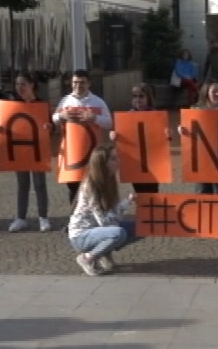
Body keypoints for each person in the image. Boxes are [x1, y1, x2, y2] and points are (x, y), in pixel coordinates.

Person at [67, 142, 139, 276]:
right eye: (113, 159)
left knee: (141, 227)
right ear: (103, 164)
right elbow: (104, 222)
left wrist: (127, 202)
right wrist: (121, 211)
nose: (117, 161)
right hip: (81, 235)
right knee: (119, 233)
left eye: (116, 157)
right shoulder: (91, 186)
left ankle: (104, 253)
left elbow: (110, 213)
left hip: (98, 230)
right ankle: (87, 258)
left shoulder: (109, 180)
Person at [53, 69, 113, 205]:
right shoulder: (65, 101)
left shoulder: (97, 102)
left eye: (82, 82)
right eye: (75, 82)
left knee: (93, 187)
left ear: (89, 84)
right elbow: (54, 119)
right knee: (73, 187)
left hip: (92, 152)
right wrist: (61, 116)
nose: (78, 86)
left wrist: (94, 118)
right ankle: (74, 223)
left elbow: (109, 123)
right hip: (71, 153)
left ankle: (92, 221)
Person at [5, 72, 52, 233]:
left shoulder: (41, 104)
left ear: (32, 85)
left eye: (23, 84)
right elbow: (6, 125)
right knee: (22, 184)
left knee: (39, 183)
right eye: (17, 84)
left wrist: (48, 128)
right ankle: (20, 217)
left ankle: (43, 217)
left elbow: (50, 125)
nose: (20, 88)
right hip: (20, 149)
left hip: (37, 149)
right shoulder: (13, 105)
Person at [109, 82, 170, 195]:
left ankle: (152, 211)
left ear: (148, 97)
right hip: (135, 162)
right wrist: (114, 135)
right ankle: (142, 211)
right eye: (135, 96)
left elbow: (164, 138)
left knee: (152, 191)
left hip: (152, 161)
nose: (138, 99)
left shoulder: (155, 115)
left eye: (141, 96)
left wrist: (167, 134)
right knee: (139, 191)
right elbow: (122, 137)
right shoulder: (127, 116)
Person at [178, 81, 218, 194]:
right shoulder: (196, 111)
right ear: (206, 93)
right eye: (214, 91)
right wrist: (182, 130)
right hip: (201, 158)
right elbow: (188, 131)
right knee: (202, 192)